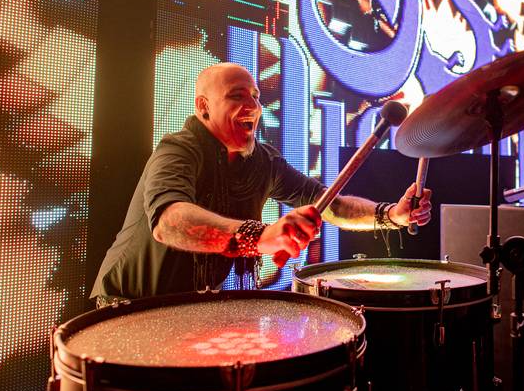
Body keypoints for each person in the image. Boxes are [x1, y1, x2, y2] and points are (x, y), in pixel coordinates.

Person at [91, 63, 431, 304]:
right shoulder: (179, 149)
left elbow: (327, 203)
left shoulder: (264, 162)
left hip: (186, 309)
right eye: (237, 96)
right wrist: (261, 237)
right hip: (127, 307)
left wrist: (391, 215)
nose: (252, 106)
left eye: (255, 96)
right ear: (203, 107)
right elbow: (169, 222)